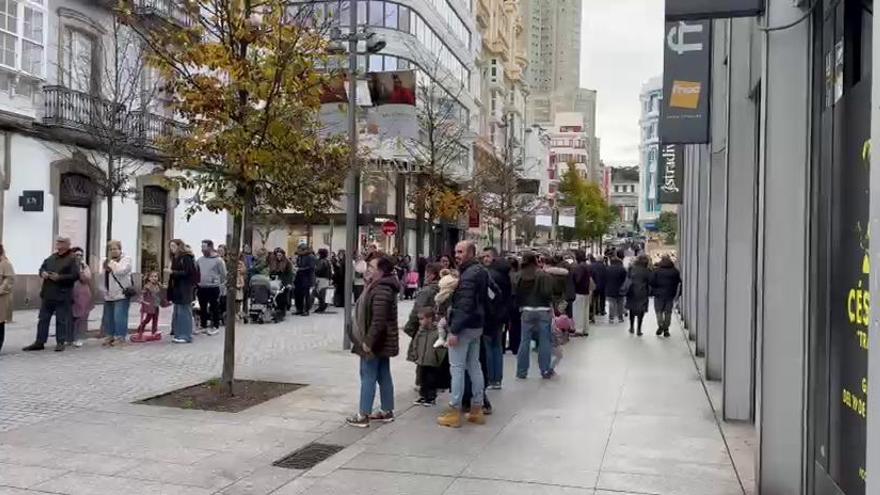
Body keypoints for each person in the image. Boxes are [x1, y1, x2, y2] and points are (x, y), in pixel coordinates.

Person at [437, 241, 489, 428]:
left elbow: (464, 305)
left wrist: (454, 330)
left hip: (464, 327)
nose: (456, 255)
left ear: (471, 253)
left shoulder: (469, 276)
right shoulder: (480, 271)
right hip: (476, 326)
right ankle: (477, 408)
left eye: (461, 251)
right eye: (456, 251)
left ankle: (454, 410)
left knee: (457, 368)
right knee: (474, 365)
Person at [346, 253, 400, 427]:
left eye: (371, 267)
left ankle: (363, 415)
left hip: (376, 340)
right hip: (382, 340)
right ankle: (387, 410)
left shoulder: (382, 289)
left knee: (368, 374)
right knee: (383, 373)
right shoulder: (376, 285)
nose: (367, 269)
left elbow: (378, 320)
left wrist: (368, 342)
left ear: (381, 272)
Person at [403, 262, 446, 406]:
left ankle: (426, 391)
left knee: (423, 362)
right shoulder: (444, 289)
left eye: (427, 273)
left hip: (425, 329)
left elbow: (417, 311)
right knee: (433, 361)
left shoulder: (426, 291)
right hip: (438, 328)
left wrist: (410, 327)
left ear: (431, 274)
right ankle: (432, 388)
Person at [515, 252, 561, 379]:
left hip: (526, 310)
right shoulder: (543, 275)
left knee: (524, 341)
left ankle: (521, 371)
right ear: (535, 261)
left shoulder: (519, 275)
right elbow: (548, 292)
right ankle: (545, 370)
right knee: (544, 341)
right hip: (543, 310)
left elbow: (515, 293)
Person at [481, 247, 511, 390]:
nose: (485, 259)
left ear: (494, 257)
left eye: (487, 256)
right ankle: (497, 379)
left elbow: (488, 297)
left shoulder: (489, 275)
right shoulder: (505, 273)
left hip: (489, 315)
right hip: (501, 314)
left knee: (488, 347)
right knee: (497, 346)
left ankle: (489, 377)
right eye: (483, 256)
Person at [101, 240, 134, 347]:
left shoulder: (126, 259)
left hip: (121, 293)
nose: (113, 251)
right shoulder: (105, 261)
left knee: (119, 316)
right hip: (108, 293)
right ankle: (109, 335)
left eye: (115, 249)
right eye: (110, 249)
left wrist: (111, 263)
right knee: (109, 317)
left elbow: (121, 271)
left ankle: (120, 337)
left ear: (120, 249)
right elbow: (101, 275)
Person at [166, 239, 198, 343]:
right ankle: (179, 334)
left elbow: (188, 273)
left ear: (179, 246)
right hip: (177, 288)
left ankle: (186, 335)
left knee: (184, 312)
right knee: (178, 312)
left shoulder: (186, 257)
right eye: (170, 246)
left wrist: (172, 272)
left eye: (174, 246)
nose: (172, 248)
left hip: (185, 288)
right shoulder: (175, 258)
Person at [197, 240, 225, 335]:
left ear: (210, 247)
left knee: (214, 307)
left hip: (213, 287)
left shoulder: (218, 260)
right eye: (201, 247)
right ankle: (203, 325)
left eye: (204, 247)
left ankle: (215, 326)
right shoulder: (200, 260)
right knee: (202, 307)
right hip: (202, 287)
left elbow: (223, 274)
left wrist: (220, 285)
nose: (202, 249)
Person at [651, 255, 681, 337]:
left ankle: (660, 325)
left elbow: (652, 282)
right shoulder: (675, 271)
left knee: (659, 311)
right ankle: (666, 328)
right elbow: (678, 282)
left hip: (658, 294)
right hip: (670, 294)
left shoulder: (657, 271)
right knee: (668, 312)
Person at [626, 254, 653, 336]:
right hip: (642, 292)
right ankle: (639, 329)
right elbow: (650, 281)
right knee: (641, 310)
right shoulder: (647, 270)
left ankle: (631, 327)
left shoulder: (631, 269)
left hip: (631, 291)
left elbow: (628, 278)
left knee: (632, 309)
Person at [70, 247, 91, 348]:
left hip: (82, 294)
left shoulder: (84, 266)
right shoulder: (68, 265)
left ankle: (79, 337)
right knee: (70, 317)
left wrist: (81, 270)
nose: (79, 257)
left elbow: (86, 279)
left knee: (81, 317)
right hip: (70, 294)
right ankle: (69, 337)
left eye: (81, 255)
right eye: (76, 254)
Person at [135, 271, 164, 341]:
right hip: (150, 305)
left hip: (156, 305)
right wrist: (141, 299)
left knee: (155, 319)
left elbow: (163, 292)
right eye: (152, 276)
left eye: (155, 276)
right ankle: (140, 329)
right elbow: (142, 293)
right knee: (148, 319)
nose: (154, 278)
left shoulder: (158, 285)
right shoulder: (147, 286)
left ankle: (154, 331)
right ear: (148, 278)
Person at [571, 250, 592, 336]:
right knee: (585, 311)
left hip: (579, 291)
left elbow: (577, 279)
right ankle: (585, 329)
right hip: (586, 291)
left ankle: (578, 330)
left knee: (578, 311)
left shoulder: (579, 267)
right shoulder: (587, 266)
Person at [293, 244, 316, 315]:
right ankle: (299, 309)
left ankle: (306, 310)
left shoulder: (311, 256)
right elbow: (299, 264)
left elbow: (311, 268)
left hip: (307, 277)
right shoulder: (300, 256)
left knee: (306, 294)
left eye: (299, 249)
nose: (298, 251)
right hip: (299, 277)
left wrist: (300, 269)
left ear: (304, 249)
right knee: (297, 293)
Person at [505, 256, 521, 354]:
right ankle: (516, 345)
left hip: (508, 300)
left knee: (508, 324)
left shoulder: (506, 275)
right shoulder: (519, 275)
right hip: (518, 301)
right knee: (517, 325)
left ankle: (509, 344)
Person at [605, 255, 627, 324]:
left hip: (610, 289)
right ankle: (620, 317)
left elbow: (605, 279)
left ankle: (611, 318)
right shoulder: (622, 269)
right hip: (620, 289)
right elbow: (625, 279)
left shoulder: (607, 269)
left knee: (611, 304)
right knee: (620, 304)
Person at [550, 309, 572, 375]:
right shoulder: (559, 332)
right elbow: (562, 342)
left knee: (551, 356)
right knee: (559, 355)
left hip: (547, 343)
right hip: (555, 345)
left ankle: (548, 368)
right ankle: (551, 368)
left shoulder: (553, 322)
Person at [0, 245, 13, 353]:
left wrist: (1, 289)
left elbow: (9, 279)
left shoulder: (5, 263)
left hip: (1, 298)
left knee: (0, 322)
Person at [314, 248, 332, 313]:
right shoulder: (327, 261)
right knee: (323, 293)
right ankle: (322, 306)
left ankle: (322, 306)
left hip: (321, 279)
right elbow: (329, 271)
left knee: (320, 293)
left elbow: (318, 270)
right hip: (326, 279)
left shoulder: (321, 261)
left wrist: (314, 270)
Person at [590, 254, 607, 322]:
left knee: (594, 299)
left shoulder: (592, 265)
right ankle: (602, 310)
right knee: (602, 298)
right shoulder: (604, 266)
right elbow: (606, 275)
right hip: (603, 285)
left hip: (595, 285)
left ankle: (596, 311)